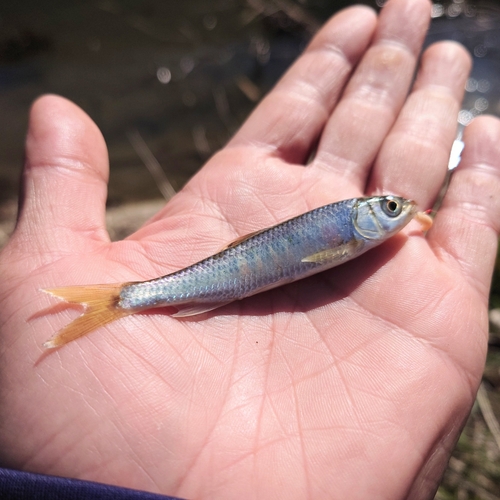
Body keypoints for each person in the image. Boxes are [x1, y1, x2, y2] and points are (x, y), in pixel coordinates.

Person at [1, 0, 499, 498]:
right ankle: (122, 299)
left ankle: (123, 299)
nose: (397, 213)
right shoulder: (350, 229)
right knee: (136, 294)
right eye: (389, 208)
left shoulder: (357, 234)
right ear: (364, 218)